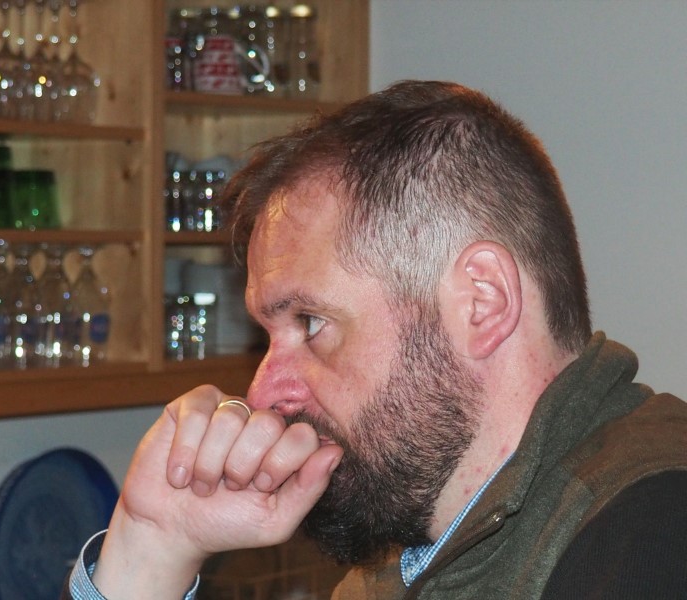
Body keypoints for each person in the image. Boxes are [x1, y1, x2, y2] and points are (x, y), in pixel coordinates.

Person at [64, 80, 687, 600]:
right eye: (269, 336)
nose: (263, 394)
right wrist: (153, 547)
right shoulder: (403, 559)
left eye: (311, 322)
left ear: (482, 302)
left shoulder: (652, 536)